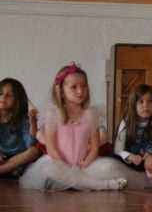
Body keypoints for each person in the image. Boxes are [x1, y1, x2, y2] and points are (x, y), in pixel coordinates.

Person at [20, 62, 129, 191]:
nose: (80, 91)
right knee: (50, 169)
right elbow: (51, 148)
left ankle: (76, 181)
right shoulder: (53, 114)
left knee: (109, 166)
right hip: (59, 162)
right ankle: (104, 185)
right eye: (74, 87)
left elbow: (94, 148)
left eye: (84, 86)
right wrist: (66, 167)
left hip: (84, 165)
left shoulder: (91, 114)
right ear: (61, 91)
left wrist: (84, 165)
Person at [113, 84, 152, 172]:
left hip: (149, 165)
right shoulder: (126, 122)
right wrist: (131, 157)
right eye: (141, 101)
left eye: (150, 101)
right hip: (128, 164)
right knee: (110, 161)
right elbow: (117, 150)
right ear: (133, 105)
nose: (146, 105)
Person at [0, 78, 41, 178]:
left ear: (18, 99)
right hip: (1, 157)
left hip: (18, 158)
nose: (4, 97)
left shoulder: (22, 120)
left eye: (10, 95)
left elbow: (30, 145)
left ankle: (3, 170)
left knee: (34, 151)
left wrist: (33, 124)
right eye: (1, 93)